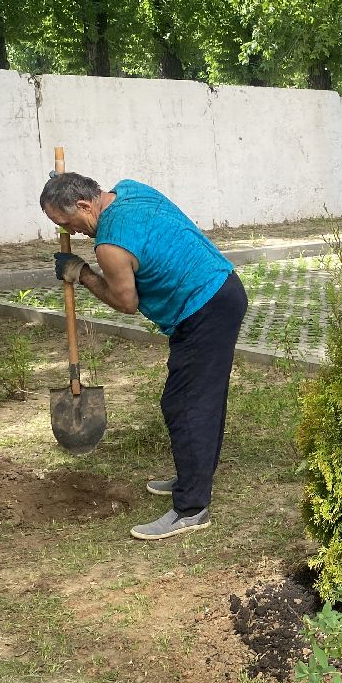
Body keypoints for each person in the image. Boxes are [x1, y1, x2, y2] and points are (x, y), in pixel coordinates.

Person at [40, 172, 248, 541]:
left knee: (187, 405)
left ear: (86, 205)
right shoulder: (130, 190)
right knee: (196, 399)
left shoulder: (110, 246)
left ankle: (191, 508)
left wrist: (83, 274)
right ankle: (193, 476)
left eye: (67, 222)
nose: (70, 232)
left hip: (204, 308)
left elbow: (126, 302)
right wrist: (63, 185)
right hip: (220, 289)